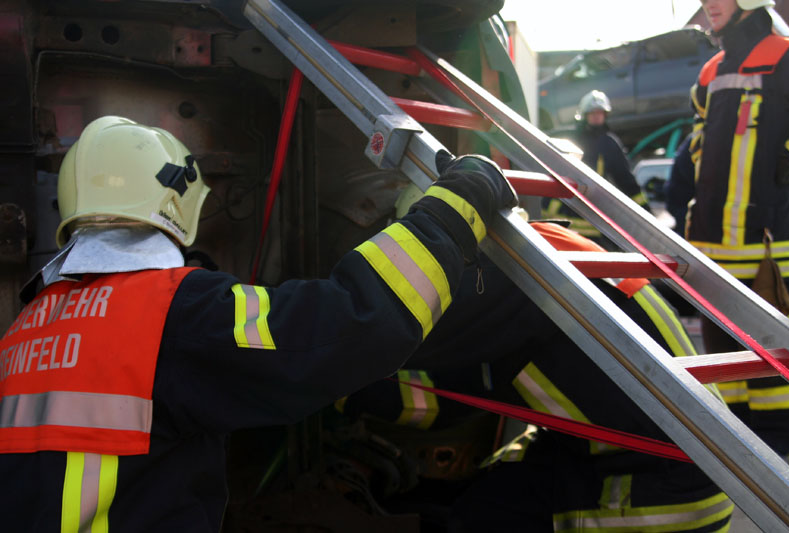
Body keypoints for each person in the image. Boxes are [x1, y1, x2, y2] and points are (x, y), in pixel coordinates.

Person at [0, 115, 517, 532]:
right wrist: (452, 211)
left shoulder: (25, 329)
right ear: (176, 202)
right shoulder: (172, 312)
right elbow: (354, 324)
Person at [337, 214, 733, 532]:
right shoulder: (547, 249)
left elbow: (445, 385)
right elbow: (469, 385)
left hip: (660, 501)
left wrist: (337, 387)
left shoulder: (511, 285)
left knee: (478, 517)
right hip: (686, 472)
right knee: (488, 488)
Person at [685, 0, 789, 459]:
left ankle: (775, 468)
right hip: (712, 249)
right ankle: (735, 464)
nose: (708, 4)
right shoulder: (711, 69)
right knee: (724, 370)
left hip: (767, 249)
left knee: (773, 369)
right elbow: (698, 127)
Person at [541, 89, 648, 243]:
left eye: (600, 113)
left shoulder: (609, 144)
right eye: (593, 113)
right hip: (561, 212)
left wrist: (645, 211)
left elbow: (625, 179)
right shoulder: (570, 139)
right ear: (584, 115)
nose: (597, 116)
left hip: (590, 216)